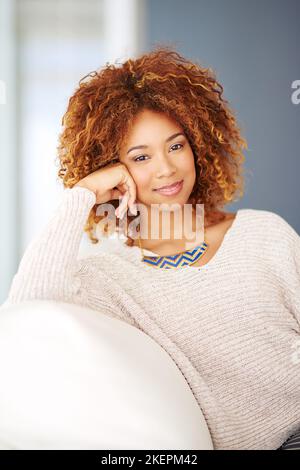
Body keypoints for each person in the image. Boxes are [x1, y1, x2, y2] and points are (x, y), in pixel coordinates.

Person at [5, 45, 300, 450]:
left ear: (198, 145)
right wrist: (84, 195)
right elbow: (27, 315)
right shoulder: (110, 278)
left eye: (176, 145)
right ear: (113, 169)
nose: (166, 168)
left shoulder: (265, 233)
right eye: (140, 157)